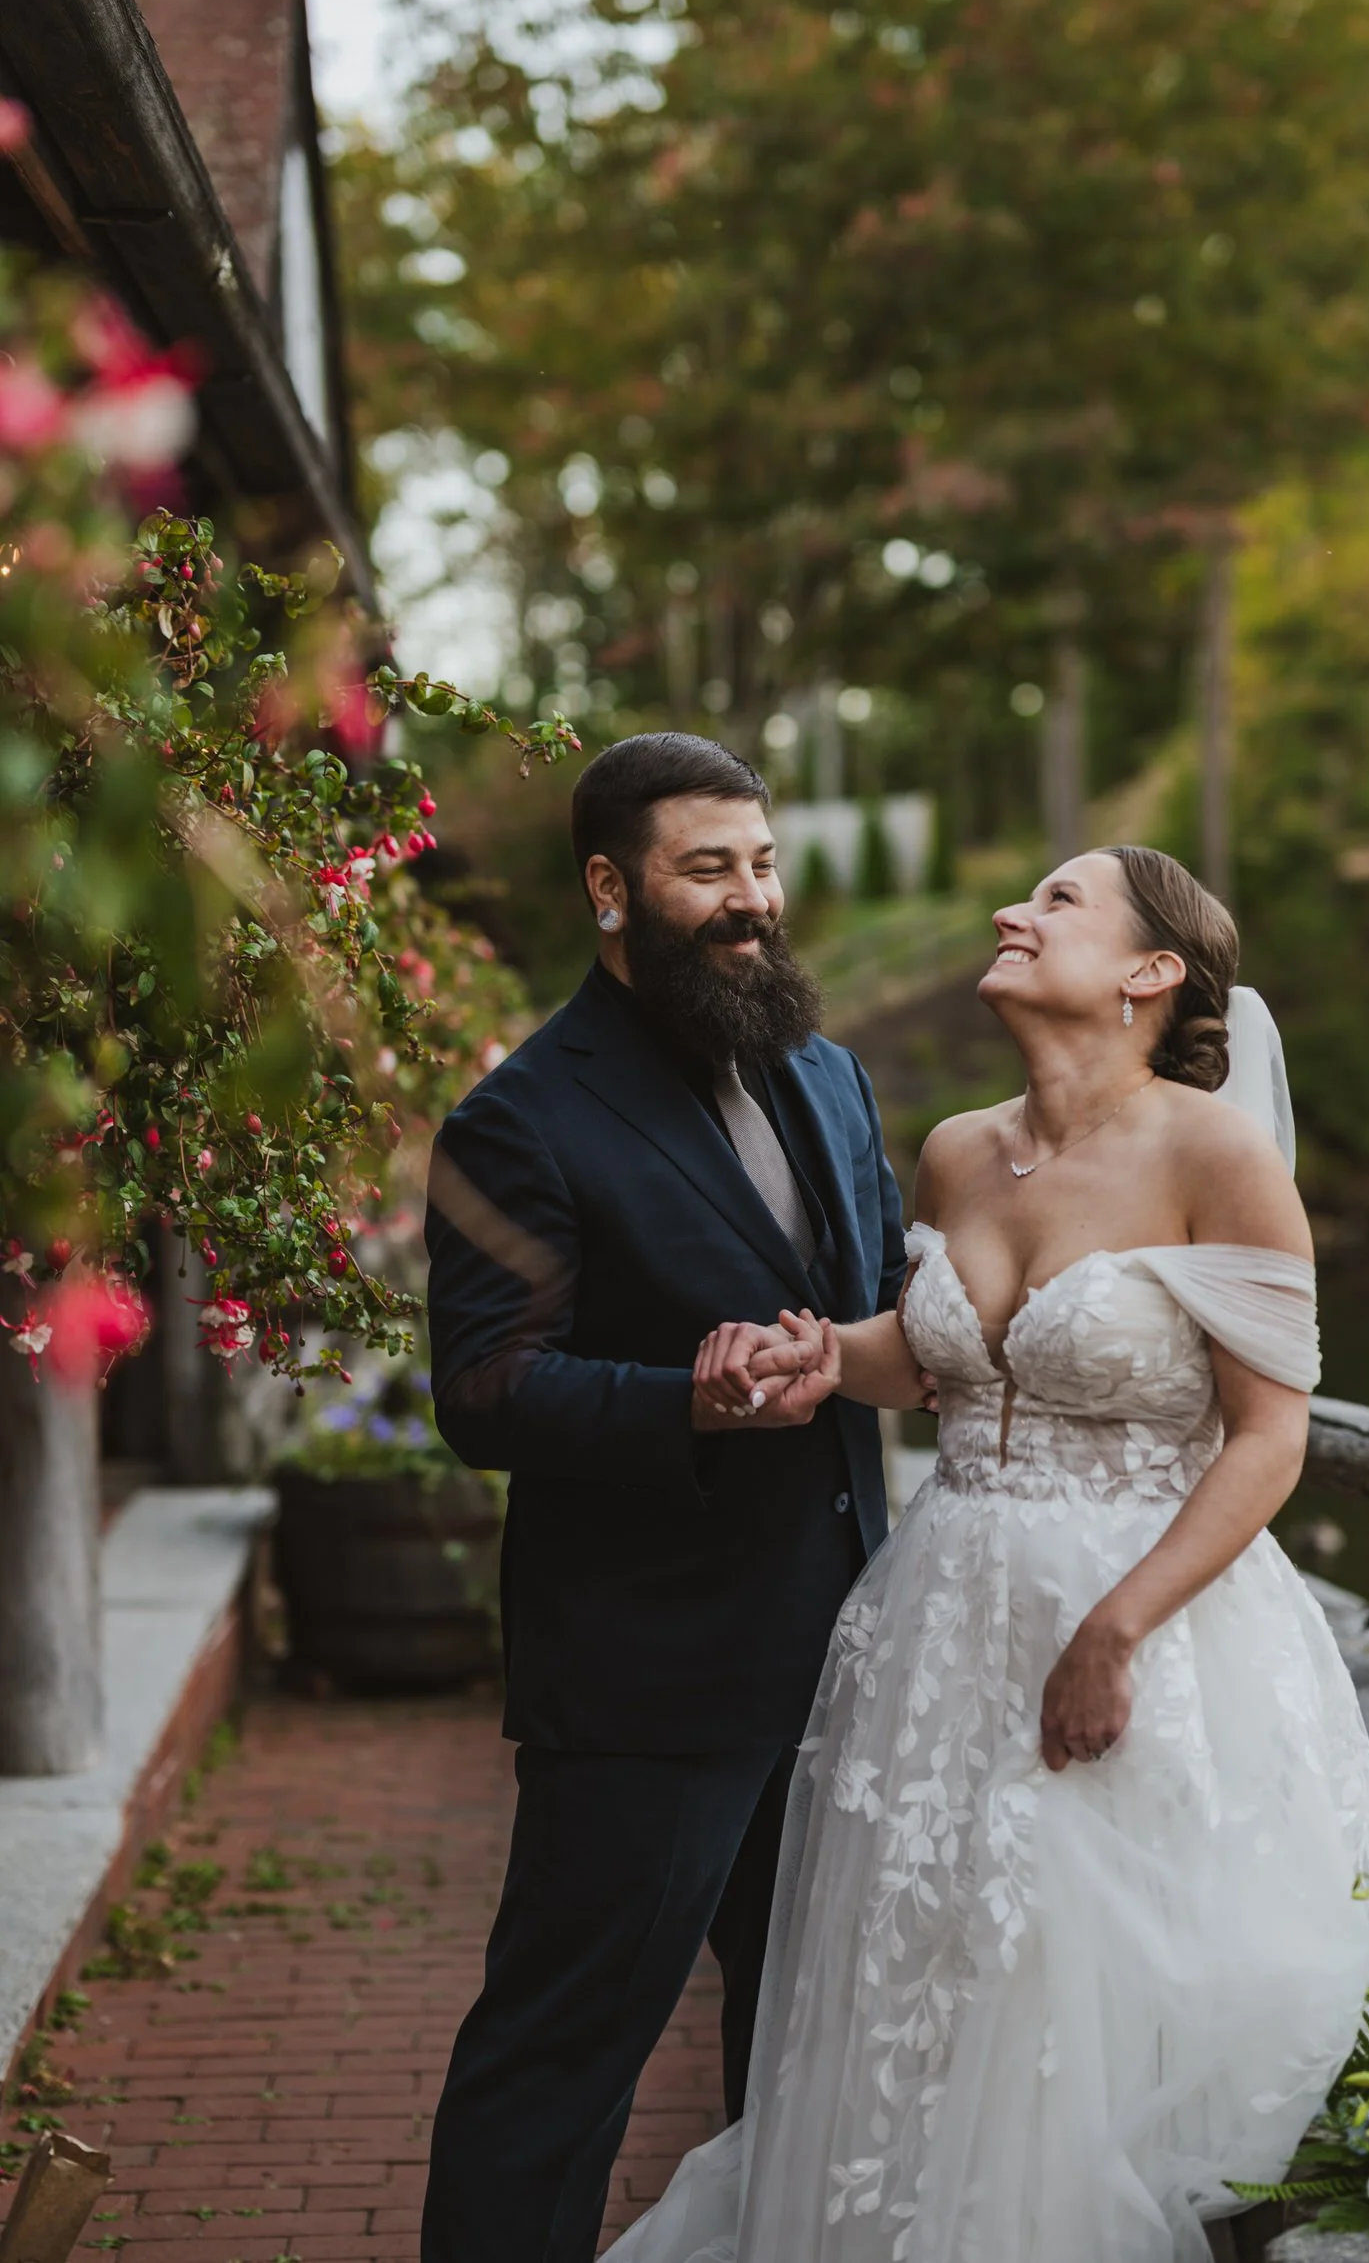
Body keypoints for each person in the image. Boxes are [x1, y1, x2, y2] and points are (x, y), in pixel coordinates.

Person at [610, 845, 1369, 2263]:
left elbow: (1268, 1440)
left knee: (1067, 2005)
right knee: (919, 1986)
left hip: (1145, 1631)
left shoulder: (1213, 1154)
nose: (1010, 916)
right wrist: (813, 1358)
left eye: (1056, 904)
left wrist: (1116, 1630)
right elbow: (928, 1369)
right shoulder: (960, 1149)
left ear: (1150, 974)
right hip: (936, 1628)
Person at [419, 733, 906, 2263]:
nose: (751, 899)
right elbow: (484, 1391)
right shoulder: (518, 1120)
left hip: (846, 1659)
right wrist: (686, 1401)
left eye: (760, 864)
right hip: (644, 1683)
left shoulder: (828, 1074)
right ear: (608, 888)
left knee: (802, 2061)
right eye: (709, 869)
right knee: (558, 2066)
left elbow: (877, 1302)